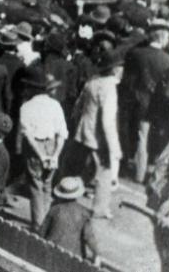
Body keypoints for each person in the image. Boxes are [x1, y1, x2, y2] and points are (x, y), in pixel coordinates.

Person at [71, 51, 123, 219]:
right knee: (104, 172)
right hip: (98, 136)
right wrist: (114, 147)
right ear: (115, 69)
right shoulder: (110, 88)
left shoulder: (92, 82)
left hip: (83, 130)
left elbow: (77, 107)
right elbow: (108, 120)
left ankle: (67, 193)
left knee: (85, 170)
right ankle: (100, 208)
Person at [122, 23, 169, 184]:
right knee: (149, 137)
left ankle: (137, 171)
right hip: (157, 105)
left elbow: (127, 80)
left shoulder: (136, 54)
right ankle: (143, 172)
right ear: (163, 38)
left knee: (139, 137)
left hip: (136, 101)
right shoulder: (168, 60)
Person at [17, 70, 67, 229]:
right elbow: (62, 133)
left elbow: (28, 135)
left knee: (35, 185)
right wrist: (55, 155)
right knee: (47, 184)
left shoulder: (26, 106)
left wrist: (40, 155)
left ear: (32, 88)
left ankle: (38, 224)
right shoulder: (55, 104)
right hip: (52, 144)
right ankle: (47, 223)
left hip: (35, 148)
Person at [40, 178, 101, 264]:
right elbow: (89, 237)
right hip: (73, 257)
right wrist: (97, 254)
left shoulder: (54, 209)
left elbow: (42, 232)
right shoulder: (84, 213)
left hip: (50, 253)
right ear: (77, 195)